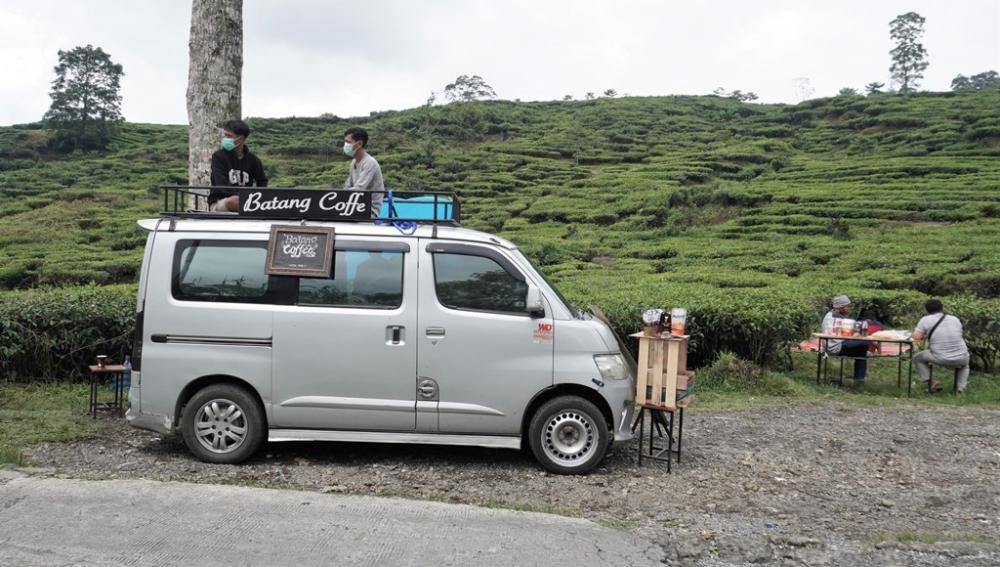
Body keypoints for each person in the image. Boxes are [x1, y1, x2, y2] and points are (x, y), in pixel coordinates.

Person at [911, 299, 970, 393]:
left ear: (927, 310)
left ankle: (932, 382)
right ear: (942, 308)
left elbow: (916, 337)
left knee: (917, 358)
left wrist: (925, 335)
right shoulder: (954, 319)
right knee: (964, 365)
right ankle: (960, 387)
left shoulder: (925, 320)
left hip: (940, 357)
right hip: (962, 356)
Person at [208, 119, 268, 212]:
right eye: (225, 135)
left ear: (241, 139)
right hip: (221, 202)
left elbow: (262, 181)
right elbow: (221, 184)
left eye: (229, 136)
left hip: (248, 202)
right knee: (235, 201)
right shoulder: (219, 156)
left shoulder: (253, 160)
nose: (225, 139)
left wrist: (257, 196)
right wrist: (245, 198)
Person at [820, 295, 868, 382]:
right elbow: (849, 334)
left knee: (861, 349)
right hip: (835, 347)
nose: (849, 308)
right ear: (841, 307)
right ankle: (859, 378)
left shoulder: (831, 315)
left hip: (834, 344)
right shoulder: (835, 318)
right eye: (847, 306)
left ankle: (859, 379)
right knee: (865, 343)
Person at [342, 127, 384, 218]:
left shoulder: (369, 162)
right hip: (355, 205)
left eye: (348, 142)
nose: (346, 145)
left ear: (360, 143)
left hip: (369, 209)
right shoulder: (354, 162)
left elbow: (359, 188)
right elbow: (348, 186)